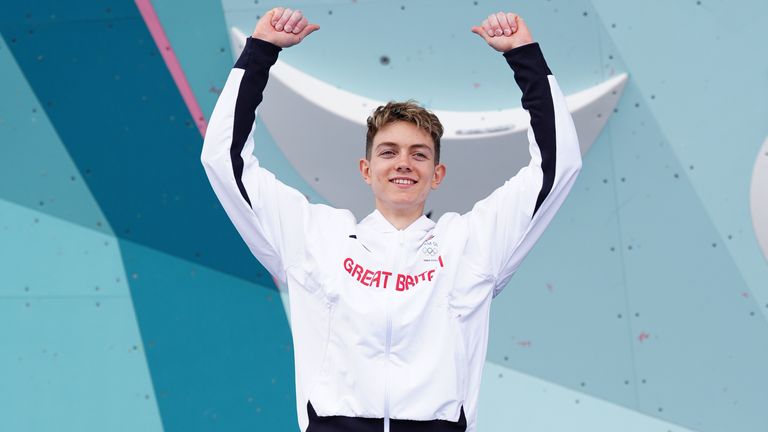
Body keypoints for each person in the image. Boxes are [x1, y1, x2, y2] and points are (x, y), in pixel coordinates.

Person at [201, 7, 581, 432]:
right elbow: (224, 160)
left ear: (437, 174)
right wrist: (260, 53)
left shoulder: (469, 244)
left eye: (419, 153)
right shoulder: (315, 237)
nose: (404, 163)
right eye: (388, 151)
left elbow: (556, 166)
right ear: (366, 169)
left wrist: (524, 56)